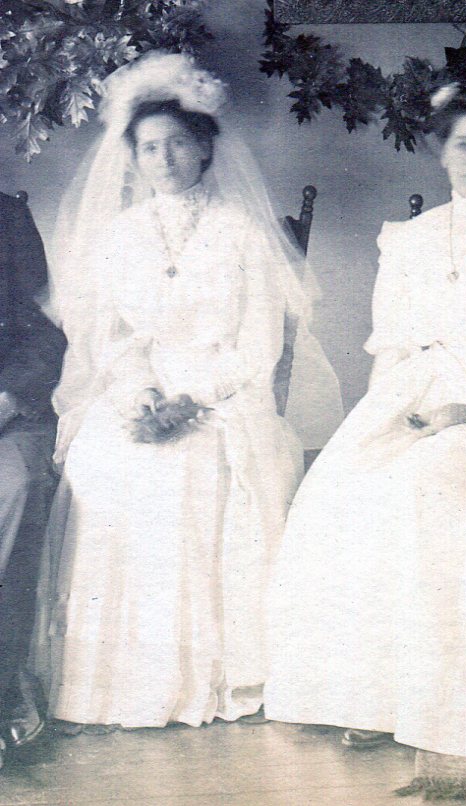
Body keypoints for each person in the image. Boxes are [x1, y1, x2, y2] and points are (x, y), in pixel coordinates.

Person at [265, 82, 466, 760]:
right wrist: (384, 421)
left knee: (431, 491)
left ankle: (447, 700)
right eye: (462, 146)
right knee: (341, 491)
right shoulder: (408, 239)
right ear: (440, 153)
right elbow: (391, 345)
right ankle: (366, 696)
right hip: (413, 392)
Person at [30, 52, 342, 731]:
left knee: (195, 473)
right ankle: (112, 686)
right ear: (134, 159)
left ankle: (208, 679)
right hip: (141, 396)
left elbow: (258, 346)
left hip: (224, 395)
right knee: (102, 466)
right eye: (149, 147)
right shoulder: (121, 235)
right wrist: (138, 395)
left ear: (204, 147)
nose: (164, 157)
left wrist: (188, 400)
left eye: (177, 143)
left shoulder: (244, 234)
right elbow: (109, 338)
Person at [0, 190, 66, 765]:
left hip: (6, 416)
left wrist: (10, 396)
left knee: (17, 490)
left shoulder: (7, 215)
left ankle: (5, 680)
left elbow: (44, 335)